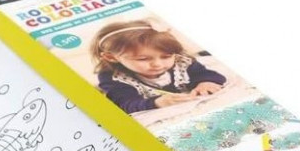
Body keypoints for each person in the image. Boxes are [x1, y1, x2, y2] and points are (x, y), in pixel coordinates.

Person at [90, 20, 226, 114]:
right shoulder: (113, 78)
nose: (158, 64)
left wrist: (206, 82)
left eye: (166, 57)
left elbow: (208, 74)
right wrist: (156, 103)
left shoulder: (181, 62)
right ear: (111, 57)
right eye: (143, 59)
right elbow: (125, 104)